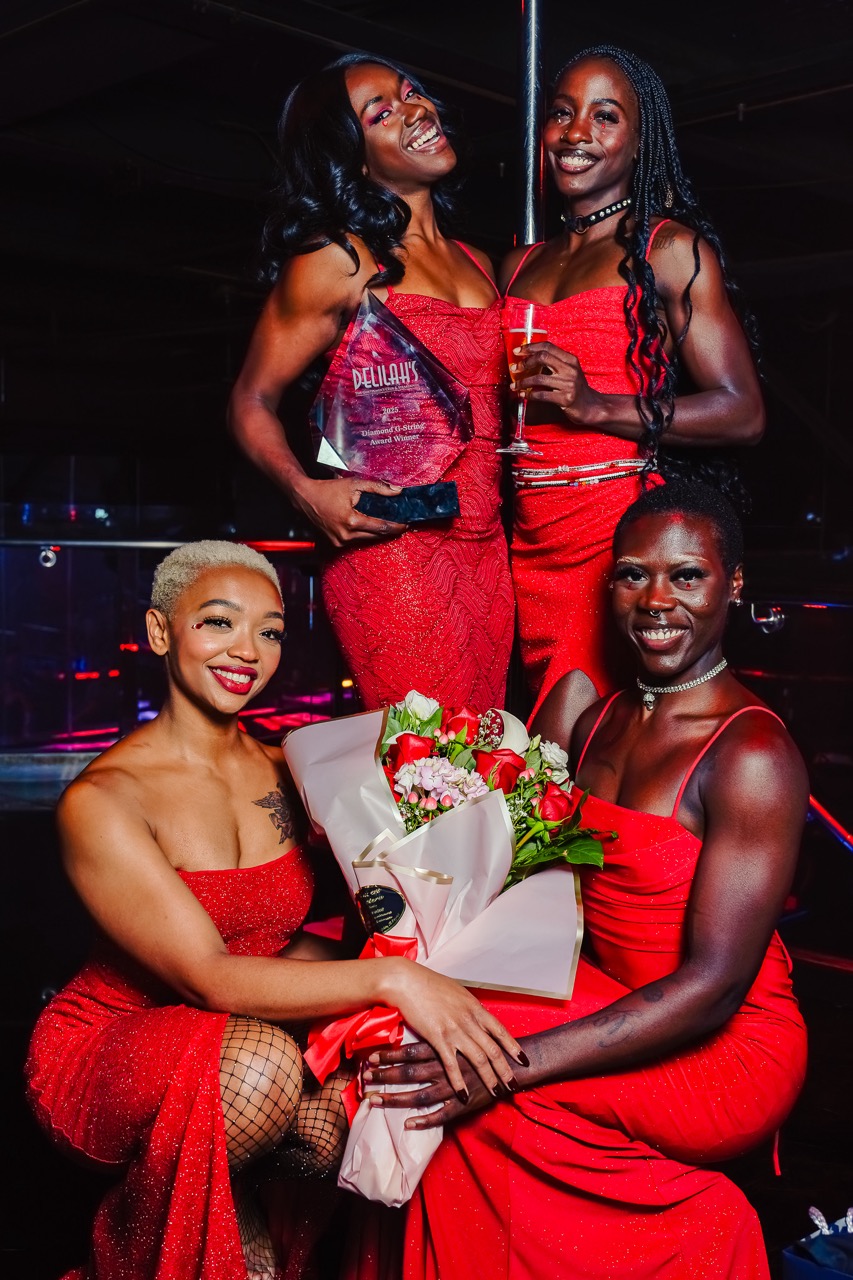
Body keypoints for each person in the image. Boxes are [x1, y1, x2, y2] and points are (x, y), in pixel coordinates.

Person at [24, 540, 523, 1280]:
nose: (247, 651)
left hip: (250, 1030)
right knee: (264, 1071)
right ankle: (134, 1249)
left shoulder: (295, 768)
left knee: (352, 1106)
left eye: (270, 630)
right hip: (115, 1042)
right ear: (160, 632)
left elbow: (291, 938)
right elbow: (207, 974)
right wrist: (396, 982)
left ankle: (237, 1218)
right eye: (218, 622)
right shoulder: (104, 800)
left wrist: (420, 948)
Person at [366, 482, 808, 1279]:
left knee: (469, 1066)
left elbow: (713, 987)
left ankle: (705, 1237)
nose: (656, 600)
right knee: (426, 1017)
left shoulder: (751, 755)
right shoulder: (596, 718)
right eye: (633, 574)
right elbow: (534, 881)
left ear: (733, 583)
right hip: (609, 996)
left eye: (686, 575)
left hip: (723, 1046)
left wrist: (511, 1064)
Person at [229, 55, 514, 714]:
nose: (414, 110)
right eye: (381, 113)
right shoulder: (340, 259)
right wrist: (305, 492)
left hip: (487, 550)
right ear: (353, 159)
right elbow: (250, 399)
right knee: (430, 757)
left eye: (411, 92)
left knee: (481, 750)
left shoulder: (479, 262)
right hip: (391, 553)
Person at [501, 45, 765, 716]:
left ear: (641, 140)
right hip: (521, 540)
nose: (575, 133)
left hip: (608, 531)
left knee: (567, 741)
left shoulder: (668, 250)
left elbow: (742, 412)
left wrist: (597, 406)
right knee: (522, 739)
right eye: (562, 113)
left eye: (604, 116)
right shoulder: (517, 265)